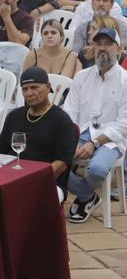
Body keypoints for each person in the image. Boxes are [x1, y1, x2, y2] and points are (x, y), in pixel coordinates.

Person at [64, 28, 127, 223]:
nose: (102, 48)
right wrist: (71, 139)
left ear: (119, 49)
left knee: (98, 169)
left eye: (108, 44)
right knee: (52, 160)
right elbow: (70, 113)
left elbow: (124, 124)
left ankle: (84, 196)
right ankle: (88, 196)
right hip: (82, 132)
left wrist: (94, 143)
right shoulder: (82, 77)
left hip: (111, 139)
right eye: (98, 44)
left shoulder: (125, 80)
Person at [0, 67, 76, 202]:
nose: (29, 93)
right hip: (10, 177)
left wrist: (32, 181)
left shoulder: (61, 120)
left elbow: (62, 163)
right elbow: (0, 153)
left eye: (34, 87)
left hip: (48, 181)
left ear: (48, 87)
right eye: (25, 89)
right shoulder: (14, 116)